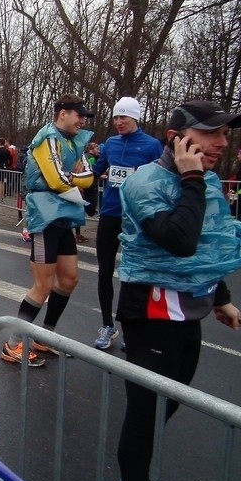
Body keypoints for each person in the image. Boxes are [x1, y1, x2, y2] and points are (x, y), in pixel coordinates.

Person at [111, 99, 241, 481]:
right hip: (150, 312)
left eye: (226, 134)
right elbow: (179, 242)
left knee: (167, 406)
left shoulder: (206, 182)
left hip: (187, 312)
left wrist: (221, 298)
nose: (223, 143)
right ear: (179, 138)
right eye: (213, 133)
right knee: (144, 413)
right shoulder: (145, 181)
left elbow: (210, 246)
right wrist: (193, 178)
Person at [1, 94, 95, 366]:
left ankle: (45, 336)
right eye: (80, 115)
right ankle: (13, 344)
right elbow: (56, 181)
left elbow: (89, 178)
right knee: (42, 285)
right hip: (44, 218)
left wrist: (71, 178)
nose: (82, 121)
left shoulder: (73, 142)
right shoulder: (47, 139)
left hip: (65, 217)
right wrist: (72, 177)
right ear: (63, 113)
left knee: (69, 280)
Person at [91, 97, 164, 351]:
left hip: (136, 217)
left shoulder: (152, 145)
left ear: (136, 118)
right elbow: (96, 171)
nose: (119, 122)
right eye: (116, 118)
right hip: (110, 214)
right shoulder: (110, 143)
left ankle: (134, 330)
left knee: (134, 274)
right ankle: (107, 325)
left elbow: (160, 180)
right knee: (104, 271)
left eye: (124, 117)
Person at [0, 137, 12, 203]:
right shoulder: (8, 151)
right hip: (5, 168)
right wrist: (8, 166)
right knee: (3, 183)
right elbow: (11, 160)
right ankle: (2, 198)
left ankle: (0, 198)